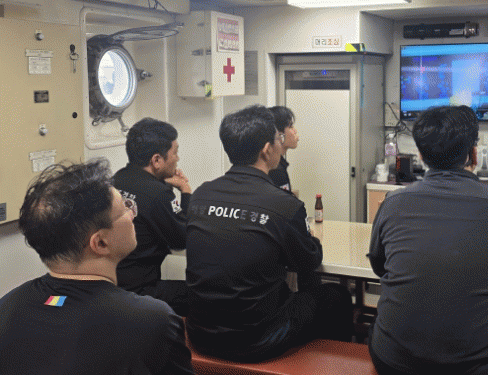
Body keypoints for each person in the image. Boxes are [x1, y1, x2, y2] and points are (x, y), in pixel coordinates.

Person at [368, 105, 488, 375]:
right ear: (473, 153)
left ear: (421, 155)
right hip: (472, 369)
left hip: (392, 363)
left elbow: (379, 266)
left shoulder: (392, 202)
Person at [186, 104, 353, 362]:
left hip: (201, 333)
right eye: (278, 138)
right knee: (336, 296)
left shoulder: (201, 195)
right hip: (255, 339)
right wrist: (314, 241)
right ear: (267, 149)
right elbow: (308, 261)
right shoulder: (284, 205)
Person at [0, 160, 194, 375]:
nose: (132, 214)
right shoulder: (153, 321)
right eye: (125, 209)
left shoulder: (7, 307)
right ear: (100, 243)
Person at [112, 117, 191, 315]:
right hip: (139, 291)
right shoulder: (158, 194)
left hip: (111, 286)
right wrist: (186, 191)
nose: (177, 159)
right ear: (156, 160)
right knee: (203, 293)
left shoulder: (117, 178)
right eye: (175, 152)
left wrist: (163, 184)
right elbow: (181, 240)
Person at [268, 105, 299, 191]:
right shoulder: (276, 169)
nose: (295, 131)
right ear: (279, 134)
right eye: (290, 127)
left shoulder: (275, 163)